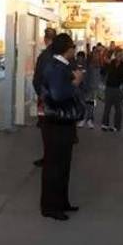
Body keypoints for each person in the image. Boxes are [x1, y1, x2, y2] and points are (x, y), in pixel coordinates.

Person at [40, 32, 84, 220]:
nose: (75, 50)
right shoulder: (56, 68)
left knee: (63, 165)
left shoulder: (61, 65)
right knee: (54, 166)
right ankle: (50, 206)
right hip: (57, 124)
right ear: (67, 49)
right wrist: (75, 83)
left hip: (62, 123)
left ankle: (61, 201)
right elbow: (58, 94)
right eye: (73, 46)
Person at [31, 27, 57, 167]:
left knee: (46, 129)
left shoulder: (44, 56)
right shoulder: (63, 55)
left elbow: (36, 80)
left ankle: (49, 158)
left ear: (46, 39)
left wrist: (41, 95)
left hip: (45, 100)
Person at [102, 47, 123, 131]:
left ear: (122, 56)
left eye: (121, 55)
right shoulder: (110, 63)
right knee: (107, 108)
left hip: (119, 89)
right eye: (118, 54)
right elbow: (104, 72)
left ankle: (116, 126)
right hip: (109, 88)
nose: (119, 56)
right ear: (115, 55)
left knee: (118, 109)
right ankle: (105, 124)